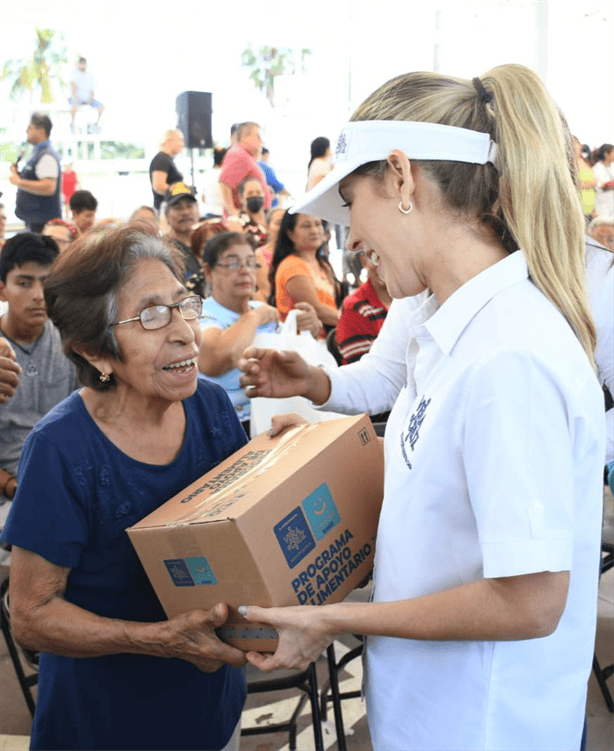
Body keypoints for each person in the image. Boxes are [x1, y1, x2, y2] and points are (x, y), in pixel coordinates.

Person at [238, 66, 606, 750]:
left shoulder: (508, 356)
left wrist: (339, 617)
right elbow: (443, 475)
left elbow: (530, 600)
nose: (350, 238)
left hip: (485, 727)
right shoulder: (451, 332)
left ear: (401, 176)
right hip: (438, 713)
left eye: (352, 205)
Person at [0, 226, 248, 751]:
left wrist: (280, 454)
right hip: (106, 726)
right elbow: (31, 617)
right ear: (96, 352)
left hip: (212, 711)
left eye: (183, 305)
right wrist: (159, 641)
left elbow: (238, 528)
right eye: (153, 316)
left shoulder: (210, 407)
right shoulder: (62, 451)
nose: (185, 332)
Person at [199, 231, 320, 435]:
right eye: (233, 263)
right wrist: (254, 317)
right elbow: (215, 358)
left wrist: (310, 327)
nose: (245, 271)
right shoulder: (203, 314)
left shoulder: (262, 309)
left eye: (250, 262)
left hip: (273, 420)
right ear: (208, 272)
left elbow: (288, 357)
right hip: (225, 428)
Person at [0, 233, 78, 529]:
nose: (38, 294)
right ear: (2, 290)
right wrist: (12, 486)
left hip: (64, 483)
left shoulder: (72, 342)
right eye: (24, 282)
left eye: (46, 282)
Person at [269, 210, 341, 332]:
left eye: (318, 224)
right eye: (306, 226)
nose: (314, 230)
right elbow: (318, 310)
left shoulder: (323, 264)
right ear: (291, 234)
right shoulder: (291, 266)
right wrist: (354, 321)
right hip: (303, 343)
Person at [335, 249, 391, 364]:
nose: (382, 266)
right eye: (376, 257)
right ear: (363, 260)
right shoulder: (355, 308)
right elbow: (366, 372)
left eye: (390, 257)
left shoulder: (410, 301)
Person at [9, 113, 61, 232]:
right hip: (34, 221)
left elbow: (49, 187)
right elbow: (34, 178)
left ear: (41, 130)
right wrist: (18, 174)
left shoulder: (47, 156)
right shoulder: (36, 153)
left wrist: (18, 182)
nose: (27, 130)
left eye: (30, 128)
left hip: (42, 224)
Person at [219, 122, 271, 217]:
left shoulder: (244, 155)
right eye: (258, 137)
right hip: (245, 219)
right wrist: (232, 211)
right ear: (245, 137)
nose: (261, 141)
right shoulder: (238, 154)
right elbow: (224, 182)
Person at [163, 182, 205, 297]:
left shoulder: (209, 243)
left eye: (189, 206)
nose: (185, 212)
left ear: (198, 211)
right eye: (178, 208)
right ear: (167, 216)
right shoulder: (164, 250)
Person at [149, 129, 185, 213]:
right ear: (169, 141)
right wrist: (182, 192)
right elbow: (158, 186)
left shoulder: (166, 159)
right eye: (180, 140)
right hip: (166, 211)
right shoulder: (162, 159)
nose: (182, 144)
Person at [254, 206, 284, 303]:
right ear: (267, 226)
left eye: (286, 223)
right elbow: (265, 292)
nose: (283, 227)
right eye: (279, 223)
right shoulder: (260, 255)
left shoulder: (299, 251)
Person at [69, 57, 104, 132]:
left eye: (83, 64)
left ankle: (96, 124)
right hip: (77, 98)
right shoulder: (75, 74)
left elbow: (92, 90)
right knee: (74, 107)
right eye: (81, 64)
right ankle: (72, 123)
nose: (82, 65)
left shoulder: (90, 76)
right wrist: (75, 98)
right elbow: (73, 86)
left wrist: (90, 100)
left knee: (101, 107)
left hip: (87, 99)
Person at [237, 176, 268, 247]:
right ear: (241, 197)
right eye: (250, 193)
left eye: (258, 192)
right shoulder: (238, 222)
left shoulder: (271, 217)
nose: (255, 196)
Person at [573, 135, 597, 220]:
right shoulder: (569, 164)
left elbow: (594, 184)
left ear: (580, 146)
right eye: (571, 143)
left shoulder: (585, 161)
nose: (574, 146)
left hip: (591, 208)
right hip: (577, 209)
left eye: (575, 143)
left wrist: (595, 209)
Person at [201, 146, 227, 217]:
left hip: (209, 213)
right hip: (223, 215)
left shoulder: (207, 174)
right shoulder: (226, 174)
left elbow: (203, 199)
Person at [591, 143, 614, 219]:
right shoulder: (597, 168)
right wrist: (608, 185)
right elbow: (599, 186)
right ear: (606, 154)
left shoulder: (613, 166)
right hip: (602, 205)